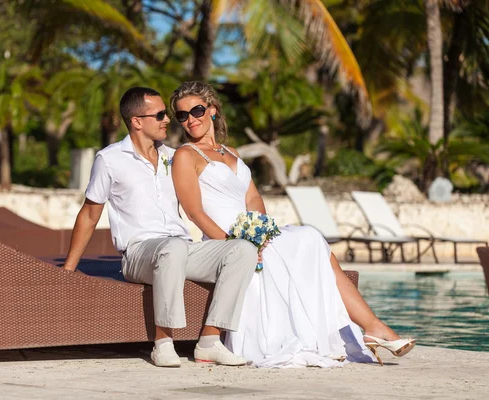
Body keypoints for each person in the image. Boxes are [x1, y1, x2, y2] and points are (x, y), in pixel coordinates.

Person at [170, 81, 416, 368]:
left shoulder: (231, 152)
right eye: (182, 115)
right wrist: (235, 246)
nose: (191, 119)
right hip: (222, 242)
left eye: (197, 110)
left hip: (253, 235)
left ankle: (372, 328)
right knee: (308, 240)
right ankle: (373, 328)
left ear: (212, 110)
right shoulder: (185, 156)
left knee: (311, 238)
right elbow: (194, 212)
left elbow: (253, 196)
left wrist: (259, 232)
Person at [62, 87, 259, 368]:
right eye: (159, 115)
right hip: (139, 253)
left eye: (167, 114)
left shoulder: (174, 156)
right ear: (137, 121)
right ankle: (163, 343)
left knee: (241, 250)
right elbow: (90, 215)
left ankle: (210, 341)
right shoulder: (110, 159)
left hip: (182, 248)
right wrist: (69, 268)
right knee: (173, 248)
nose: (167, 119)